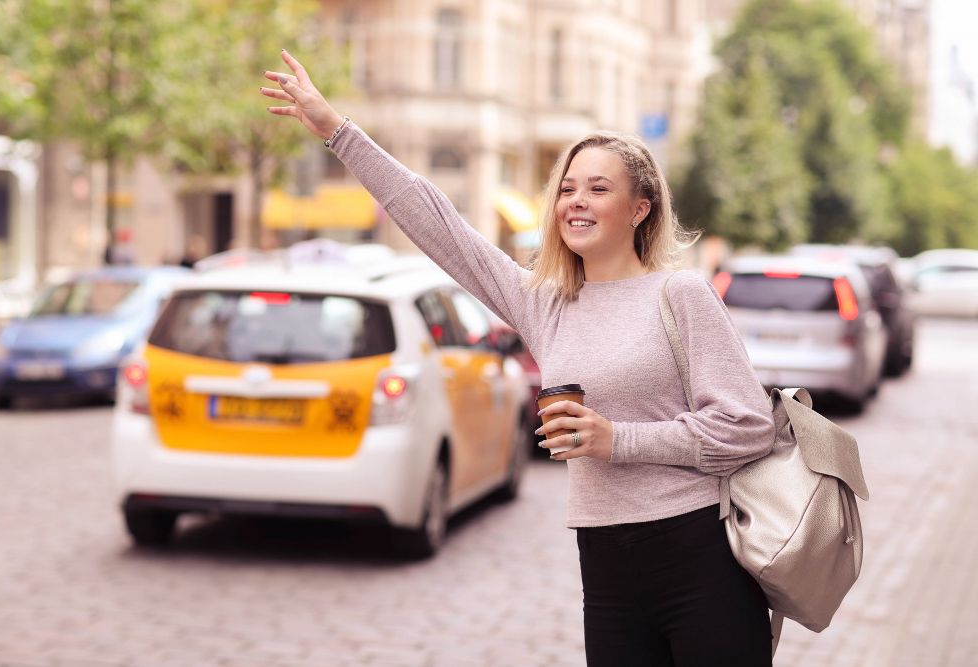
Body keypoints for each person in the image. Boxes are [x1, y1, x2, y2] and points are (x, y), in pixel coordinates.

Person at [262, 49, 777, 666]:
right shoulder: (546, 304)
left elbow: (750, 426)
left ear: (639, 210)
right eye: (566, 188)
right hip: (606, 565)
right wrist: (336, 131)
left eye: (598, 188)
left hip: (701, 558)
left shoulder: (680, 294)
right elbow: (438, 223)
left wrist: (618, 440)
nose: (576, 201)